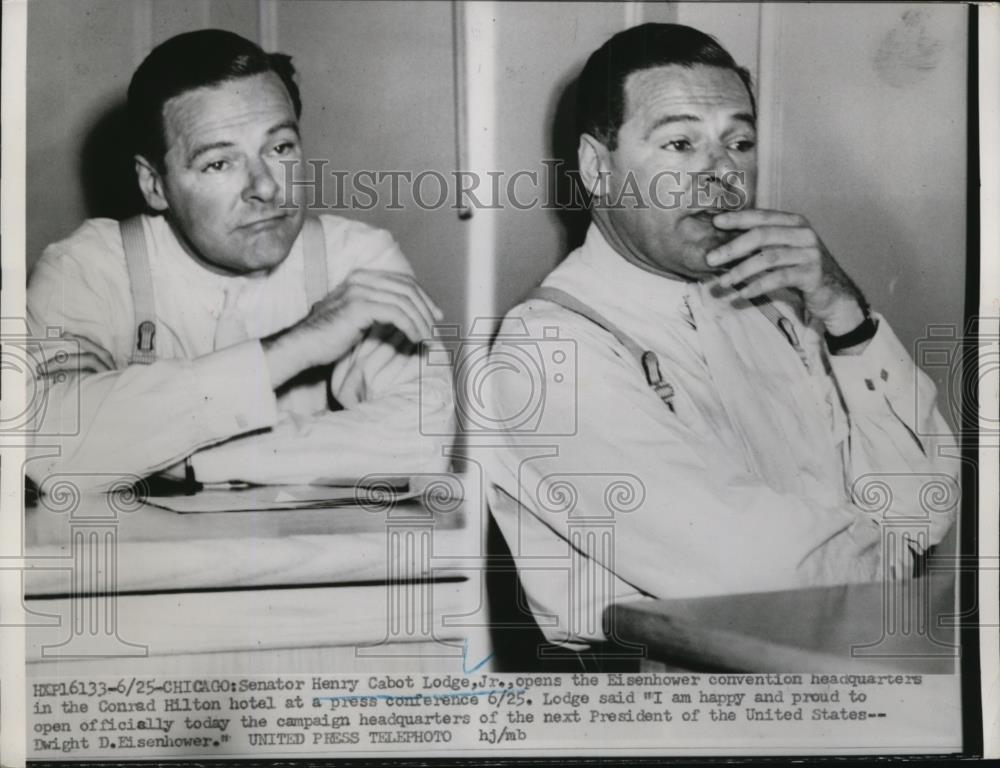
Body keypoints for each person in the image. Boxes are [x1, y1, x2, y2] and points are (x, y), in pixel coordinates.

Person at [485, 23, 958, 651]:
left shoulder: (766, 306)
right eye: (680, 143)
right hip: (663, 711)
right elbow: (755, 576)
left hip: (840, 667)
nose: (719, 171)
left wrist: (847, 314)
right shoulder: (547, 350)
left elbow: (925, 500)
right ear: (598, 168)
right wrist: (894, 564)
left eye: (739, 142)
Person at [26, 29, 454, 492]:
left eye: (280, 148)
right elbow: (44, 448)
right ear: (154, 184)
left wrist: (189, 459)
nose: (266, 187)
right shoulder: (88, 268)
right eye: (219, 164)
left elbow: (421, 438)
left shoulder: (357, 258)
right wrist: (296, 345)